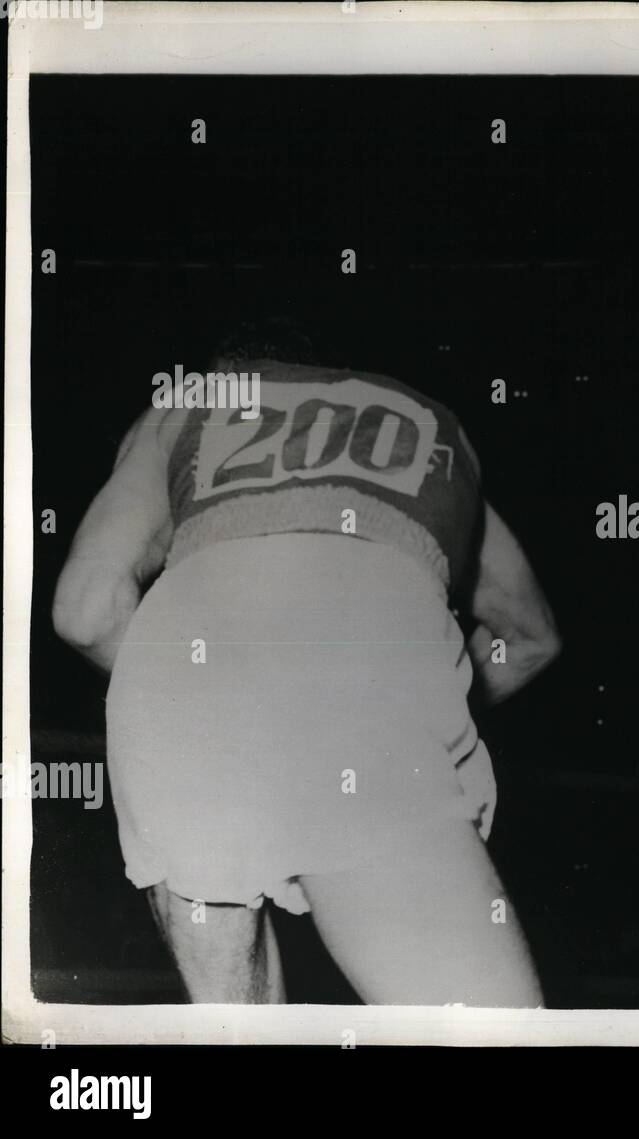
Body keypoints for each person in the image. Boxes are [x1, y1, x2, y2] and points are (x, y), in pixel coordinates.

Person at [53, 323, 561, 1005]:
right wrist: (431, 702)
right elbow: (529, 636)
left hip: (181, 684)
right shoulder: (429, 422)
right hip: (364, 669)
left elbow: (84, 609)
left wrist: (205, 687)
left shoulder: (190, 402)